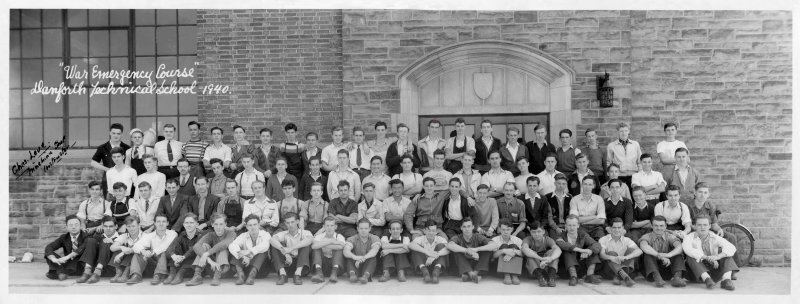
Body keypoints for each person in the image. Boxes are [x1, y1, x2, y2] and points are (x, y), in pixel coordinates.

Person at [688, 182, 740, 271]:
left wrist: (719, 229)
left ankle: (732, 269)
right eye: (700, 192)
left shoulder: (710, 205)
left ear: (708, 194)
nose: (702, 195)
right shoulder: (688, 205)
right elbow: (688, 223)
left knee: (731, 237)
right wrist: (697, 229)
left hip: (708, 230)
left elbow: (713, 224)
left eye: (705, 193)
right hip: (694, 230)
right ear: (695, 193)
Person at [683, 215, 738, 290]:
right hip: (695, 274)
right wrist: (707, 258)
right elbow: (688, 249)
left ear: (709, 226)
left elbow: (731, 247)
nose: (702, 227)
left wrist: (718, 256)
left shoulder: (714, 237)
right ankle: (707, 279)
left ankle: (726, 280)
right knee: (691, 256)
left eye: (705, 225)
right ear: (694, 226)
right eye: (699, 225)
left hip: (713, 272)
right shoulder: (688, 237)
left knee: (726, 254)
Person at [184, 214, 236, 286]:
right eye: (216, 224)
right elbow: (196, 246)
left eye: (221, 224)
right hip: (212, 268)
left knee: (222, 249)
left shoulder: (231, 233)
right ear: (212, 225)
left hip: (226, 269)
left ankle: (217, 276)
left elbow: (223, 244)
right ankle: (197, 276)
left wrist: (206, 254)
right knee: (204, 246)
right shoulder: (210, 235)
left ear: (225, 224)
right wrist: (208, 259)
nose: (218, 227)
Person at [125, 214, 178, 284]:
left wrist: (151, 253)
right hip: (155, 261)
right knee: (138, 253)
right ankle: (136, 275)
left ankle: (158, 275)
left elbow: (165, 246)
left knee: (163, 252)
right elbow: (136, 246)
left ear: (167, 223)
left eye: (164, 221)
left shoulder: (173, 233)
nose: (161, 224)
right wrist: (143, 251)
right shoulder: (150, 235)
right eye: (158, 221)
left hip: (167, 261)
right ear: (155, 223)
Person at [639, 215, 687, 288]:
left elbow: (680, 247)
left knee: (677, 253)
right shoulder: (647, 236)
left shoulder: (669, 236)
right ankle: (657, 278)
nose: (659, 228)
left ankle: (677, 278)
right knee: (648, 254)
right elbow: (643, 246)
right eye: (656, 226)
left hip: (667, 269)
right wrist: (659, 255)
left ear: (665, 226)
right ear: (651, 226)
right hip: (651, 272)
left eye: (661, 226)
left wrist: (668, 255)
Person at [555, 215, 602, 286]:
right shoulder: (560, 235)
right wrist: (582, 250)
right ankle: (573, 277)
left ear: (578, 225)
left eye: (574, 225)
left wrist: (589, 252)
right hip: (565, 269)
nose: (571, 228)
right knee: (568, 251)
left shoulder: (582, 234)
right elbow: (563, 245)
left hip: (580, 267)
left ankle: (590, 276)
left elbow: (596, 244)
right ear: (566, 226)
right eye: (569, 225)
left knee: (592, 250)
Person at [446, 218, 497, 284]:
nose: (467, 229)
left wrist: (477, 249)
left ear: (473, 227)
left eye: (469, 226)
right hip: (463, 265)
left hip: (477, 264)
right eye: (464, 227)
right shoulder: (458, 237)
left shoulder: (477, 236)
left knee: (488, 250)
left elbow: (494, 245)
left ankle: (472, 274)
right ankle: (472, 275)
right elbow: (449, 245)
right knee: (456, 251)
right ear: (461, 228)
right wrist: (466, 250)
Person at [269, 212, 314, 285]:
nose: (290, 225)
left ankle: (297, 275)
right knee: (276, 246)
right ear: (285, 224)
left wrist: (291, 249)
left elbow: (310, 239)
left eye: (292, 222)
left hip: (302, 267)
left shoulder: (305, 232)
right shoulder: (284, 233)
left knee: (305, 245)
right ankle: (282, 275)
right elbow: (272, 240)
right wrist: (285, 253)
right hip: (287, 265)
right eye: (288, 223)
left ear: (297, 221)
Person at [228, 214, 272, 285]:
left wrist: (248, 254)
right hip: (246, 268)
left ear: (259, 225)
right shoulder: (243, 236)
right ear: (246, 226)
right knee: (236, 252)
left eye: (255, 224)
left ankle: (252, 276)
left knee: (263, 252)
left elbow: (265, 246)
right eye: (250, 225)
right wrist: (242, 255)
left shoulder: (265, 235)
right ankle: (241, 275)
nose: (253, 227)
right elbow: (232, 245)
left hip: (261, 270)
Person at [163, 213, 205, 285]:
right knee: (174, 250)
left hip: (195, 265)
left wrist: (183, 257)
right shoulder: (182, 234)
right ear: (183, 224)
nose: (189, 225)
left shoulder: (201, 234)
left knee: (195, 252)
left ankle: (180, 274)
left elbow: (193, 250)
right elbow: (171, 247)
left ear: (197, 224)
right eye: (186, 223)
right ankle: (172, 274)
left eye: (191, 223)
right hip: (183, 261)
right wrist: (174, 257)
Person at [598, 217, 642, 287]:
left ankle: (619, 276)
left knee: (631, 251)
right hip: (609, 270)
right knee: (612, 253)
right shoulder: (603, 239)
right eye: (614, 227)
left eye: (619, 227)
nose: (617, 230)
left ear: (623, 228)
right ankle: (625, 277)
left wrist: (626, 257)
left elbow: (639, 251)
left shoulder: (627, 240)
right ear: (610, 228)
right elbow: (602, 254)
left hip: (626, 268)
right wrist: (611, 258)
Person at [74, 216, 119, 283]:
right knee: (90, 240)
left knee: (106, 242)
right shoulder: (98, 236)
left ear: (116, 226)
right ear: (102, 226)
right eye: (105, 226)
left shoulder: (121, 237)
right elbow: (85, 247)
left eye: (111, 226)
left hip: (109, 268)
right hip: (94, 268)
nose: (108, 228)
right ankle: (87, 272)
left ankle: (97, 273)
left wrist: (113, 242)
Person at [91, 123, 130, 197]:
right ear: (110, 133)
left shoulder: (127, 148)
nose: (116, 135)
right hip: (108, 179)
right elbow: (93, 162)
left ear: (121, 134)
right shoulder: (102, 147)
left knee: (124, 201)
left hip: (124, 178)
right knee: (109, 202)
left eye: (118, 133)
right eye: (113, 133)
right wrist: (107, 169)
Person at [522, 220, 561, 287]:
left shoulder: (547, 239)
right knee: (530, 255)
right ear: (530, 232)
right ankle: (540, 278)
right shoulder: (527, 239)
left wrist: (550, 258)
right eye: (533, 232)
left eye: (539, 231)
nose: (536, 234)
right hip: (535, 269)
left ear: (543, 231)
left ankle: (551, 277)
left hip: (546, 266)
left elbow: (558, 250)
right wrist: (541, 258)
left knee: (553, 252)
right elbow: (524, 249)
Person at [408, 219, 450, 284]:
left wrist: (435, 255)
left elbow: (449, 249)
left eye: (433, 231)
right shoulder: (421, 239)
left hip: (436, 264)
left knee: (441, 246)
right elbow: (410, 245)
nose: (431, 233)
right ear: (424, 231)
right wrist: (426, 252)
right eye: (429, 230)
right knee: (416, 247)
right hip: (424, 264)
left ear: (436, 232)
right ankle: (425, 273)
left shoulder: (440, 239)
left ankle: (436, 273)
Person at [310, 216, 347, 283]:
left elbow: (341, 247)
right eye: (327, 225)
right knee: (317, 249)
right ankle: (319, 274)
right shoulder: (319, 236)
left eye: (332, 225)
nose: (329, 228)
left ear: (335, 227)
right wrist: (331, 241)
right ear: (324, 227)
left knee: (338, 250)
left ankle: (334, 274)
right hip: (322, 265)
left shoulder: (339, 236)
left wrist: (323, 244)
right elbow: (314, 246)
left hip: (335, 266)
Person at [344, 219, 382, 284]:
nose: (363, 230)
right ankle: (352, 275)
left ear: (370, 229)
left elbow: (375, 250)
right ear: (357, 229)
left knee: (372, 257)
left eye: (366, 228)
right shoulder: (352, 238)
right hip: (355, 264)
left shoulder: (374, 238)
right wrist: (355, 257)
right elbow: (346, 251)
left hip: (368, 265)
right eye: (361, 228)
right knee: (350, 256)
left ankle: (366, 276)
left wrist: (363, 258)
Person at [606, 122, 642, 189]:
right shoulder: (611, 146)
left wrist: (640, 174)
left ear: (629, 131)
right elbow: (609, 163)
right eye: (621, 131)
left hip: (634, 176)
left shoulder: (635, 144)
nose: (624, 133)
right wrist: (611, 177)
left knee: (634, 196)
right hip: (619, 176)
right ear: (618, 132)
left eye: (626, 131)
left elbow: (639, 161)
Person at [108, 216, 142, 283]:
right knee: (119, 248)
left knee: (133, 250)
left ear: (139, 226)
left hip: (140, 263)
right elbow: (112, 247)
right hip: (126, 261)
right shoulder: (124, 236)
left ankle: (126, 274)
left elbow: (136, 248)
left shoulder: (144, 236)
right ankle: (118, 273)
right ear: (126, 227)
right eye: (129, 226)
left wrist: (122, 253)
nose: (131, 229)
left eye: (133, 226)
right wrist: (122, 248)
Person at [491, 219, 524, 285]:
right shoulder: (494, 240)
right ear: (499, 229)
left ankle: (514, 275)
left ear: (512, 229)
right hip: (501, 269)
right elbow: (493, 256)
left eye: (508, 229)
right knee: (504, 246)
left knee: (514, 246)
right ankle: (507, 275)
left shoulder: (517, 240)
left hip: (515, 267)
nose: (506, 232)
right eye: (503, 229)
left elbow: (523, 254)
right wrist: (504, 251)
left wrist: (513, 252)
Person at [545, 173, 571, 238]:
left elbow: (570, 214)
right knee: (557, 241)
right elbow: (549, 216)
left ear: (566, 185)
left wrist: (568, 226)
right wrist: (556, 228)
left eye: (564, 184)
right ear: (555, 184)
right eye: (559, 183)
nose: (561, 186)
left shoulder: (570, 197)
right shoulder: (547, 197)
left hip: (568, 226)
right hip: (553, 226)